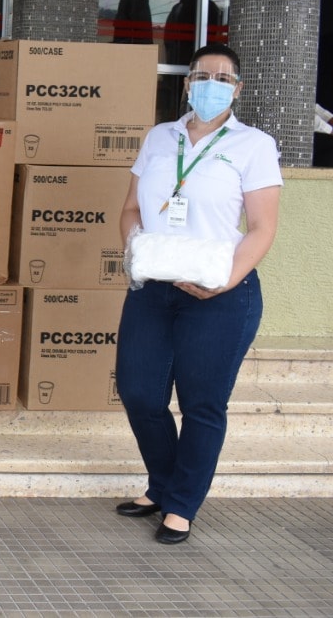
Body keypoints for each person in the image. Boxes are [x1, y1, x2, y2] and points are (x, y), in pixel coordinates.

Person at [114, 44, 282, 544]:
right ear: (187, 83)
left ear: (237, 89)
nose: (211, 85)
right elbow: (131, 208)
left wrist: (224, 281)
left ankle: (181, 504)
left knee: (202, 403)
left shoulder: (254, 145)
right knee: (139, 392)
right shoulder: (159, 137)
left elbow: (262, 228)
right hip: (154, 286)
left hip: (221, 294)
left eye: (223, 78)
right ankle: (164, 485)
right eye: (202, 76)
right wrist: (135, 252)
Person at [163, 0, 223, 66]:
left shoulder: (207, 7)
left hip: (201, 55)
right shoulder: (178, 8)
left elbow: (214, 33)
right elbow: (169, 35)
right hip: (178, 57)